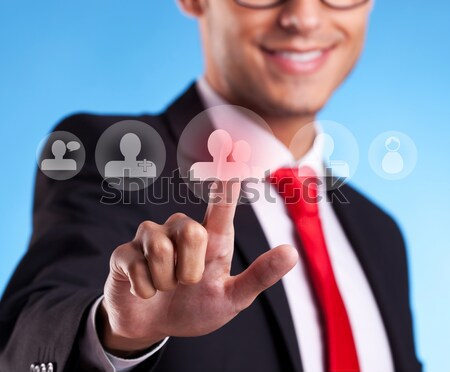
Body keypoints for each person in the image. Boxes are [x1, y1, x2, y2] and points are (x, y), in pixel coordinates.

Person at [0, 0, 422, 371]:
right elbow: (25, 336)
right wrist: (116, 334)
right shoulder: (117, 159)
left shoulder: (381, 234)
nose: (304, 17)